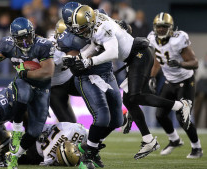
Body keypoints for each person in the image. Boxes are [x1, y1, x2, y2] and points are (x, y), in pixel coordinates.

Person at [69, 5, 192, 162]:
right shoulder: (96, 22)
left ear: (90, 21)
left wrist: (89, 61)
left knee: (135, 97)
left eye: (82, 28)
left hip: (139, 56)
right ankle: (148, 139)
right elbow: (95, 45)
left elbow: (112, 52)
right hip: (134, 57)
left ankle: (180, 106)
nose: (80, 32)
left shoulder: (102, 28)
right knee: (129, 100)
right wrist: (80, 58)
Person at [58, 2, 123, 169]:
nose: (85, 29)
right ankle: (87, 156)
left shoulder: (98, 17)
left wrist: (120, 28)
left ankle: (90, 147)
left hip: (107, 73)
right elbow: (76, 64)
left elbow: (113, 33)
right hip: (87, 77)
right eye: (80, 26)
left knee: (117, 120)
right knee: (102, 118)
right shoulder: (67, 38)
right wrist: (91, 51)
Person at [0, 17, 54, 169]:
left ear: (33, 33)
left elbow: (48, 72)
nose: (24, 41)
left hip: (42, 88)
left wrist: (24, 73)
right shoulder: (7, 44)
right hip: (23, 83)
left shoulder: (43, 45)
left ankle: (13, 156)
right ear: (13, 37)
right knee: (24, 94)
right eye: (20, 38)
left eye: (27, 36)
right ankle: (16, 132)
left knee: (35, 131)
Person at [148, 12, 203, 158]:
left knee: (182, 118)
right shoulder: (152, 39)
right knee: (160, 114)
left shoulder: (178, 40)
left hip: (185, 81)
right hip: (169, 81)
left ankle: (197, 148)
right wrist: (152, 77)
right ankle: (174, 140)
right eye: (158, 27)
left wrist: (180, 63)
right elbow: (157, 58)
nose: (160, 29)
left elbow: (195, 63)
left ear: (170, 28)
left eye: (164, 27)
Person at [48, 19, 80, 123]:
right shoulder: (51, 50)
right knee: (70, 125)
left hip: (71, 79)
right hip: (55, 88)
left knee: (95, 85)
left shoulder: (75, 41)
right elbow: (42, 75)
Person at [16, 122, 88, 166]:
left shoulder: (78, 132)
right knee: (31, 160)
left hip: (39, 131)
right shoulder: (50, 156)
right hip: (36, 143)